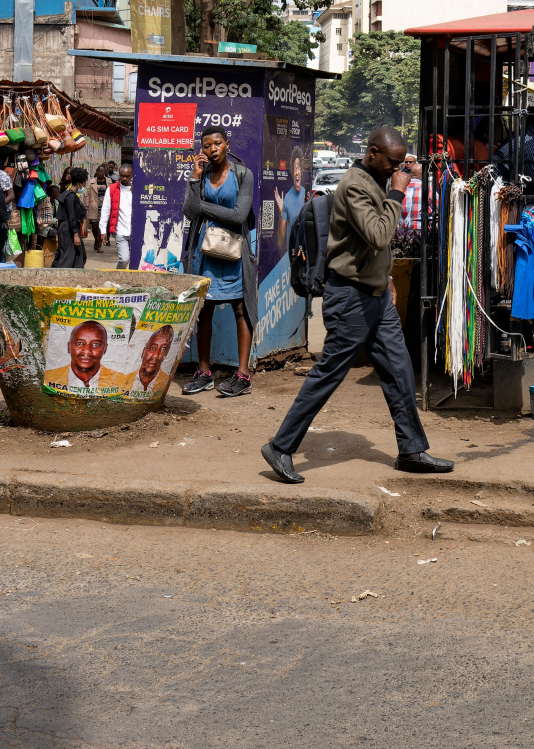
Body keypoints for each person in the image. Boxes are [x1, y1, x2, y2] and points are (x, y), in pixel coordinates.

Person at [260, 126, 451, 484]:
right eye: (393, 163)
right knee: (329, 373)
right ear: (374, 153)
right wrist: (398, 191)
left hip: (375, 296)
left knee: (399, 371)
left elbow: (370, 248)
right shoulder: (356, 185)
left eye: (402, 165)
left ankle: (411, 449)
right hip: (349, 297)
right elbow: (380, 234)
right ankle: (281, 446)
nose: (398, 170)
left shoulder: (376, 180)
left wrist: (387, 277)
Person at [181, 128, 257, 398]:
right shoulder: (201, 176)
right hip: (206, 251)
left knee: (241, 309)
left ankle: (243, 376)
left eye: (217, 144)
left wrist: (204, 207)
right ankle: (204, 373)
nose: (212, 149)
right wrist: (194, 178)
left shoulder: (243, 175)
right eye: (207, 145)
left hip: (234, 251)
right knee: (205, 311)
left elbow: (239, 216)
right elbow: (190, 212)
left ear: (227, 144)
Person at [44, 319, 132, 394]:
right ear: (69, 347)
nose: (87, 351)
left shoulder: (119, 381)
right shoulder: (51, 377)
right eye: (79, 343)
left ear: (105, 349)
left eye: (96, 344)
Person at [52, 167, 89, 269]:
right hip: (69, 230)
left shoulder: (70, 195)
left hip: (69, 228)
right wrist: (75, 235)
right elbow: (71, 216)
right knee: (67, 258)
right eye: (84, 182)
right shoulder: (70, 196)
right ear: (79, 183)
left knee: (79, 256)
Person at [105, 163, 133, 267]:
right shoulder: (112, 189)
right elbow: (105, 211)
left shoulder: (137, 190)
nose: (124, 178)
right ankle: (117, 277)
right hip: (120, 232)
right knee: (124, 259)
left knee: (135, 261)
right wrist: (103, 231)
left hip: (135, 232)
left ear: (132, 175)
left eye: (127, 176)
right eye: (122, 176)